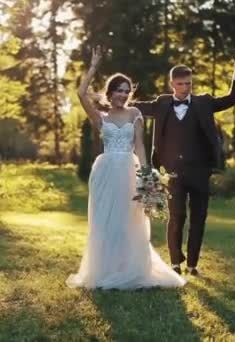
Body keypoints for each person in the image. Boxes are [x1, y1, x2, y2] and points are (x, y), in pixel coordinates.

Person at [66, 47, 186, 290]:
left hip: (130, 171)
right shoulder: (101, 115)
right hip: (106, 171)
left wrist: (146, 176)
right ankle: (106, 269)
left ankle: (131, 268)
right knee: (106, 220)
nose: (123, 95)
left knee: (129, 221)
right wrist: (93, 67)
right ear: (110, 93)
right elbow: (81, 93)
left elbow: (140, 146)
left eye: (126, 91)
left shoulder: (135, 113)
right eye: (118, 90)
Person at [133, 51, 235, 277]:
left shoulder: (204, 102)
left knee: (198, 218)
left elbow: (231, 99)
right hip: (172, 173)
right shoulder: (162, 103)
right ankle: (175, 262)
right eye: (180, 83)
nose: (185, 87)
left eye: (188, 83)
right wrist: (104, 99)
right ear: (171, 84)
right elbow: (134, 106)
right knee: (176, 217)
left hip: (200, 172)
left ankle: (193, 264)